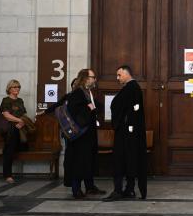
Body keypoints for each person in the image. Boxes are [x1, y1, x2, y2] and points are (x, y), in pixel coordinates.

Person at [104, 65, 148, 201]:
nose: (117, 78)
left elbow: (130, 110)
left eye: (119, 75)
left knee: (121, 160)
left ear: (127, 74)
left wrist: (125, 126)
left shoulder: (131, 88)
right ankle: (129, 189)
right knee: (129, 160)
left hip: (126, 133)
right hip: (128, 133)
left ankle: (119, 190)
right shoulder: (131, 88)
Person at [63, 69, 104, 199]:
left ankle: (90, 187)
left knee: (88, 161)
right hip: (80, 135)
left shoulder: (87, 92)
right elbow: (75, 112)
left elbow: (97, 106)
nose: (95, 79)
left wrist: (94, 108)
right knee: (78, 162)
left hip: (88, 134)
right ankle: (76, 190)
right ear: (86, 78)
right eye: (93, 77)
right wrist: (90, 108)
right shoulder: (77, 93)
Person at [0, 79, 30, 183]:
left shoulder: (20, 100)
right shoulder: (6, 100)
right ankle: (8, 175)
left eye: (18, 87)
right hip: (10, 129)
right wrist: (19, 120)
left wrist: (22, 121)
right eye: (15, 87)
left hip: (20, 128)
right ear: (9, 89)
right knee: (9, 152)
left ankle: (1, 149)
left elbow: (24, 114)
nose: (17, 89)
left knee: (20, 148)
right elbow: (6, 115)